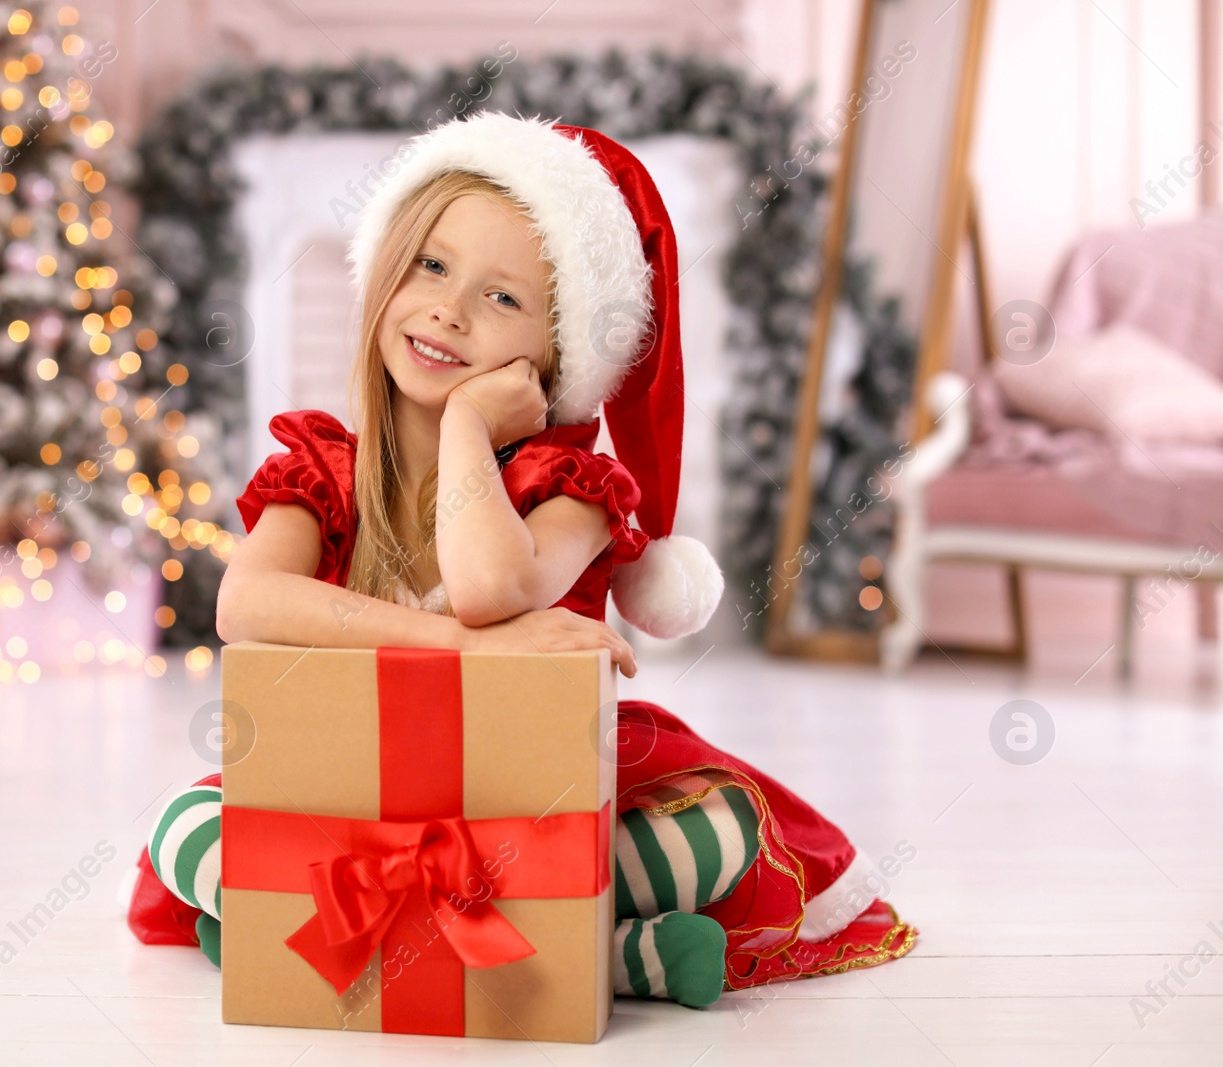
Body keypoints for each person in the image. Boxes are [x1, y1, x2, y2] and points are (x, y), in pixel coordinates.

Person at [125, 111, 915, 1008]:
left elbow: (489, 585)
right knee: (183, 826)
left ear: (556, 353)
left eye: (503, 298)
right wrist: (460, 649)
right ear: (386, 272)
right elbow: (247, 603)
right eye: (431, 265)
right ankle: (608, 954)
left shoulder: (568, 488)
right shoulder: (324, 473)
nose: (449, 309)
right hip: (358, 801)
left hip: (530, 807)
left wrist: (467, 427)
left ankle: (304, 931)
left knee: (719, 833)